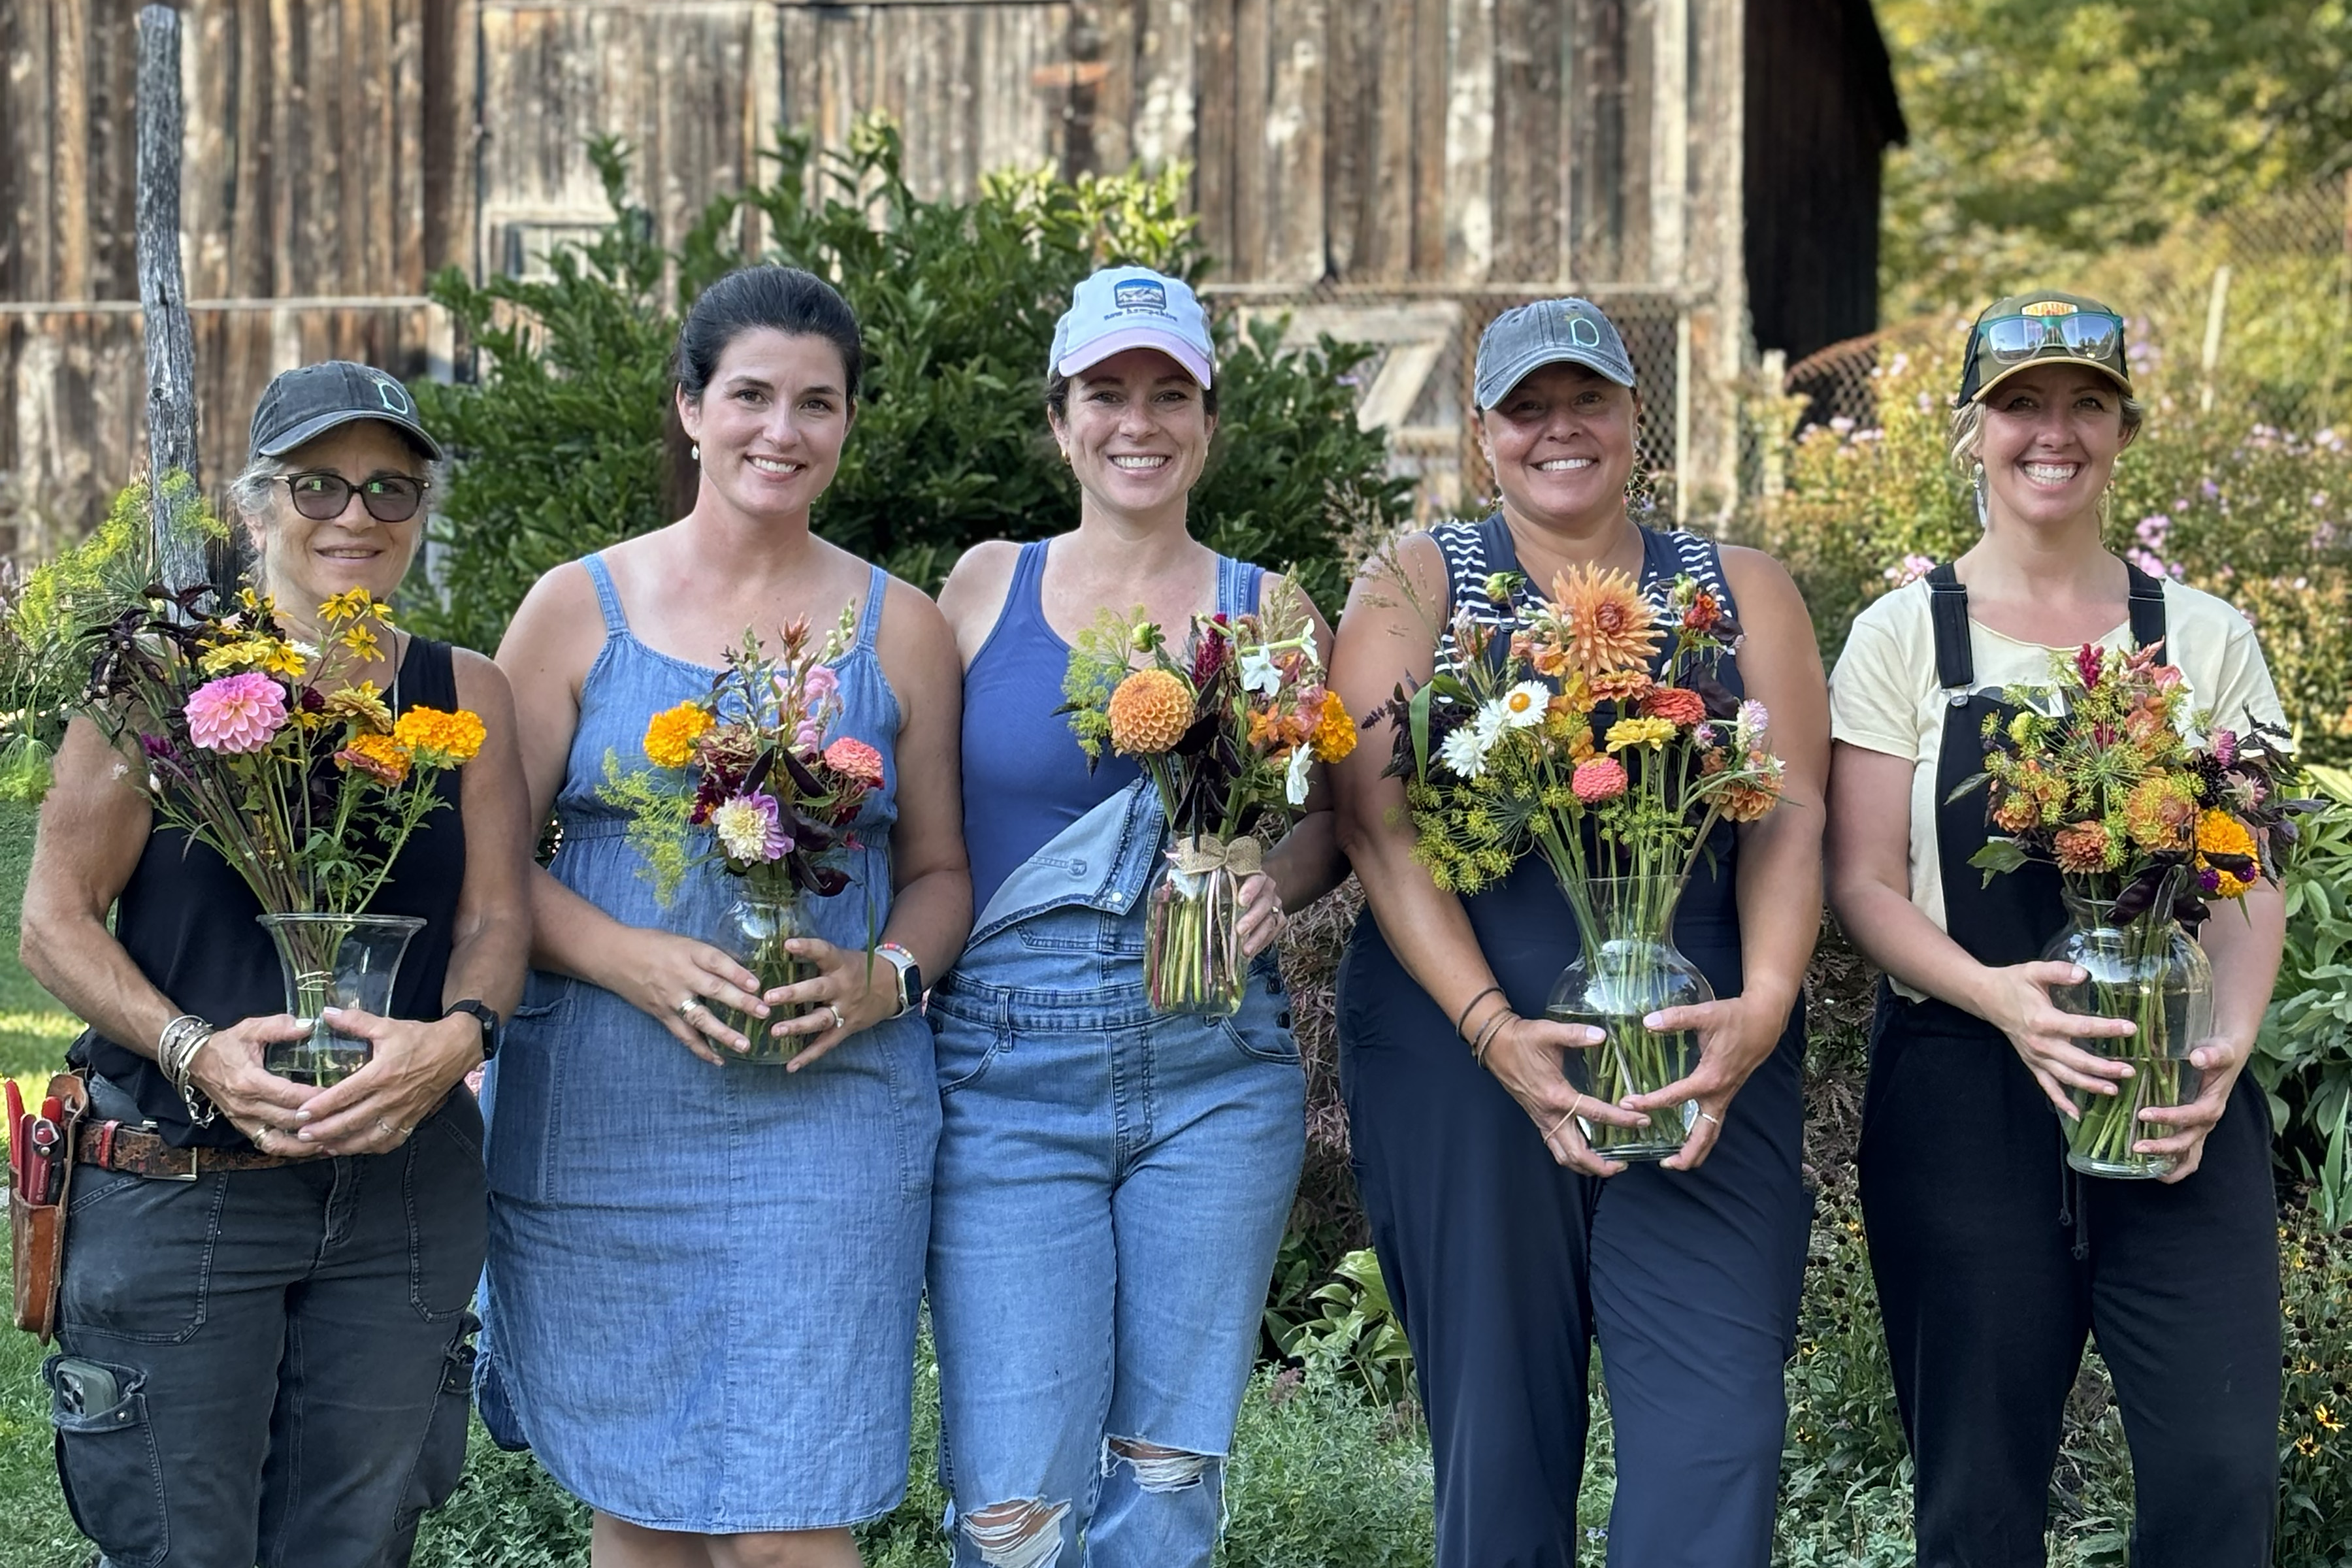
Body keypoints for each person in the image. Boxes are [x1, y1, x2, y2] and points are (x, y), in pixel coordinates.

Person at [476, 264, 967, 1567]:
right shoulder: (576, 610)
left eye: (818, 403)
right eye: (751, 394)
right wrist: (626, 957)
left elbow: (941, 874)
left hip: (831, 1106)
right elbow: (492, 868)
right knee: (641, 1500)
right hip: (605, 1109)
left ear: (849, 424)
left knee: (791, 1517)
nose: (782, 430)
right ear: (690, 407)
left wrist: (891, 978)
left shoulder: (902, 630)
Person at [1326, 298, 1829, 1567]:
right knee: (1500, 1448)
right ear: (1482, 431)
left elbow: (1793, 816)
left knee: (1722, 1434)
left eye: (1586, 400)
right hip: (1461, 1048)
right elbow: (1378, 830)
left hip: (1700, 1046)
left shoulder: (1741, 590)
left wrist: (1764, 1005)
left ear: (1632, 417)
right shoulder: (1414, 581)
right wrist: (1494, 1030)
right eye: (1527, 407)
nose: (1561, 428)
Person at [18, 361, 529, 1566]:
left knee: (354, 1540)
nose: (356, 517)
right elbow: (55, 921)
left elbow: (498, 920)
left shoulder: (466, 694)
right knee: (184, 1544)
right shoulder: (157, 677)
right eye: (318, 485)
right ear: (256, 509)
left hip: (400, 1191)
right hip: (183, 1180)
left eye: (391, 491)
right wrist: (195, 1049)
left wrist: (457, 1041)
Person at [1825, 292, 2287, 1566]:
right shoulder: (1899, 638)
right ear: (1973, 431)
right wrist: (2000, 998)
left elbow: (2248, 876)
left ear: (2124, 427)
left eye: (2085, 402)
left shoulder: (2203, 638)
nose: (2053, 431)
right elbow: (1863, 883)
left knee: (2217, 1471)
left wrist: (2227, 1051)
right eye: (2021, 403)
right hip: (1966, 1096)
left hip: (2176, 1090)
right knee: (1976, 1498)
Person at [924, 264, 1345, 1568]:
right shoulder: (981, 588)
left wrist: (1277, 884)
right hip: (1004, 1077)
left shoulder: (1267, 607)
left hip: (1213, 1073)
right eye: (1108, 391)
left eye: (1171, 392)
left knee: (1166, 1483)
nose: (1139, 420)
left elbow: (1326, 814)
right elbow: (921, 834)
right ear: (1061, 421)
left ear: (1210, 421)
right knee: (1012, 1507)